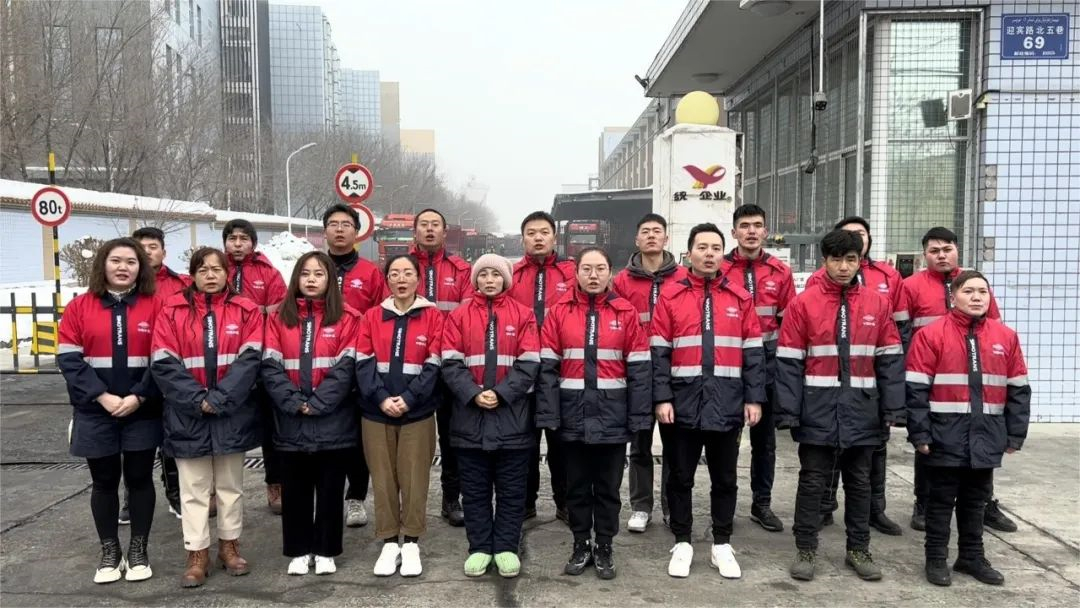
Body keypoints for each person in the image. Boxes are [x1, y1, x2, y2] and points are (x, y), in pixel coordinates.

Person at [775, 229, 905, 583]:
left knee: (860, 483)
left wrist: (893, 410)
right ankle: (805, 549)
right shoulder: (804, 304)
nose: (844, 267)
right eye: (836, 260)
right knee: (812, 482)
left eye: (851, 260)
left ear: (860, 261)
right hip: (816, 410)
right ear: (825, 262)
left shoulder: (877, 304)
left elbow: (890, 360)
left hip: (863, 410)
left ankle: (859, 549)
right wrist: (788, 412)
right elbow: (788, 362)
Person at [650, 224, 766, 580]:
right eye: (702, 247)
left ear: (722, 253)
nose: (710, 253)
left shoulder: (740, 298)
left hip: (727, 403)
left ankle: (722, 544)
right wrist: (662, 397)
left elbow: (753, 354)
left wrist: (754, 398)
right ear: (689, 253)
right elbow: (659, 353)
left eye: (716, 247)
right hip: (681, 404)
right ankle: (682, 541)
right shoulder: (670, 296)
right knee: (679, 477)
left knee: (725, 478)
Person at [905, 270, 1030, 587]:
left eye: (982, 292)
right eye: (969, 291)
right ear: (953, 297)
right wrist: (920, 433)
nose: (976, 297)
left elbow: (1018, 389)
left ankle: (971, 557)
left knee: (976, 501)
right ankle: (936, 558)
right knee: (940, 502)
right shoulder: (931, 335)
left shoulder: (1006, 337)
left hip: (986, 435)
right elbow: (916, 391)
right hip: (943, 435)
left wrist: (1015, 433)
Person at [151, 247, 263, 588]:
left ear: (228, 273)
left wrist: (220, 398)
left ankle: (229, 547)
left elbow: (250, 359)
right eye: (203, 270)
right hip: (188, 414)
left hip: (232, 413)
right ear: (193, 275)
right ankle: (197, 552)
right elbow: (163, 362)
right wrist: (198, 400)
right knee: (193, 489)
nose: (210, 275)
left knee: (230, 487)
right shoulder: (172, 311)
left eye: (216, 269)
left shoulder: (246, 310)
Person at [537, 247, 651, 580]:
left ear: (610, 273)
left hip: (612, 418)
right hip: (571, 417)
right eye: (586, 268)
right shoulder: (559, 312)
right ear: (576, 273)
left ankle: (604, 545)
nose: (593, 275)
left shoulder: (625, 312)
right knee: (575, 487)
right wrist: (550, 416)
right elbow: (547, 370)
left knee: (607, 488)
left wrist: (638, 418)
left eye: (600, 268)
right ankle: (580, 543)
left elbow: (640, 370)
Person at [58, 238, 162, 584]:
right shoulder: (79, 307)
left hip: (141, 410)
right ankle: (110, 551)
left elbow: (164, 358)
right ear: (102, 264)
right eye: (116, 260)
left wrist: (139, 396)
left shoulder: (155, 306)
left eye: (131, 262)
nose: (123, 267)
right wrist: (102, 396)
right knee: (103, 482)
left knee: (140, 479)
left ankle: (138, 549)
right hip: (94, 410)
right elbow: (69, 359)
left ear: (140, 268)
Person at [903, 227, 1014, 534]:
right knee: (927, 444)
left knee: (980, 444)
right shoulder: (911, 286)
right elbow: (901, 333)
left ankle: (984, 504)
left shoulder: (974, 284)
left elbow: (995, 330)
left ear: (957, 250)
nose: (941, 255)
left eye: (947, 249)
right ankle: (924, 503)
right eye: (934, 251)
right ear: (924, 255)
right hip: (933, 378)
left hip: (977, 380)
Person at [807, 216, 910, 536]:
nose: (843, 265)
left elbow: (898, 334)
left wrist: (893, 400)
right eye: (847, 236)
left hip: (868, 388)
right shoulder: (814, 285)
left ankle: (873, 514)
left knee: (869, 460)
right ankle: (823, 509)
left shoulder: (887, 279)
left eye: (860, 235)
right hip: (827, 389)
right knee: (825, 459)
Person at [440, 254, 540, 578]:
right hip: (469, 419)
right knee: (475, 491)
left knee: (512, 491)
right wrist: (472, 393)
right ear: (476, 280)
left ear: (506, 280)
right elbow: (450, 363)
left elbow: (529, 363)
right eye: (483, 274)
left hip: (513, 418)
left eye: (496, 275)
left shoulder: (524, 315)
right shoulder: (458, 316)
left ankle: (507, 547)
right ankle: (480, 547)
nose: (489, 280)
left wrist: (501, 393)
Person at [262, 251, 360, 576]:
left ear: (330, 280)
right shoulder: (279, 317)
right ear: (296, 279)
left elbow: (347, 367)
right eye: (305, 274)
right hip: (290, 419)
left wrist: (318, 403)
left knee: (330, 489)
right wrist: (294, 402)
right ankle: (299, 550)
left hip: (334, 420)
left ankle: (327, 549)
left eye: (319, 274)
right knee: (295, 490)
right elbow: (270, 366)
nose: (312, 280)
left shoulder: (348, 318)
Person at [355, 254, 444, 577]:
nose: (401, 279)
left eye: (408, 273)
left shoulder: (433, 316)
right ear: (387, 280)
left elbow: (434, 363)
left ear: (419, 279)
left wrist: (408, 399)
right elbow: (363, 362)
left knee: (414, 478)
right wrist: (381, 398)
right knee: (383, 479)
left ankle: (412, 542)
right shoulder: (371, 316)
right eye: (394, 273)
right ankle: (389, 541)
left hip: (417, 413)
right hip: (376, 413)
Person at [718, 204, 796, 533]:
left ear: (766, 231)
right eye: (745, 225)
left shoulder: (780, 272)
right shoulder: (719, 269)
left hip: (767, 368)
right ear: (733, 232)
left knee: (765, 442)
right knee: (727, 442)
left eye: (757, 225)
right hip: (728, 367)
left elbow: (789, 324)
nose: (751, 231)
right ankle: (726, 506)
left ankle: (761, 504)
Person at [611, 212, 685, 533]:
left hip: (674, 373)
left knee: (675, 445)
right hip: (636, 375)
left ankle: (672, 506)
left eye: (657, 231)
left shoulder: (684, 278)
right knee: (640, 444)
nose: (652, 235)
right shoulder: (621, 282)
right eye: (646, 231)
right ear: (637, 239)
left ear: (666, 238)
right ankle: (641, 507)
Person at [508, 210, 577, 523]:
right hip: (521, 372)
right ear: (523, 238)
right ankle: (525, 503)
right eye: (531, 233)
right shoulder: (511, 275)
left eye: (544, 232)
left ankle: (565, 502)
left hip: (559, 372)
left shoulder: (571, 273)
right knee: (524, 443)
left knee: (562, 442)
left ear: (554, 237)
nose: (538, 238)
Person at [322, 203, 387, 529]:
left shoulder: (370, 272)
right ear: (325, 231)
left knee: (359, 434)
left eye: (346, 224)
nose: (339, 229)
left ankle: (356, 497)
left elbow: (382, 316)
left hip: (359, 361)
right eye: (333, 224)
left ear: (356, 231)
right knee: (326, 429)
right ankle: (326, 494)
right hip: (319, 362)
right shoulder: (312, 267)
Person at [222, 219, 288, 516]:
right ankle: (216, 489)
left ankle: (276, 483)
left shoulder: (269, 274)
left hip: (261, 361)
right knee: (223, 425)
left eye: (243, 238)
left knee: (271, 428)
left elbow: (279, 317)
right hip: (223, 362)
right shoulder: (215, 269)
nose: (237, 244)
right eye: (232, 238)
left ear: (254, 243)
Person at [410, 208, 471, 527]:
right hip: (412, 365)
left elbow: (467, 318)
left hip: (449, 365)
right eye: (424, 225)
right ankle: (410, 503)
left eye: (436, 225)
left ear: (445, 232)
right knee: (412, 438)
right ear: (415, 231)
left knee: (451, 436)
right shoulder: (402, 267)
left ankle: (451, 498)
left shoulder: (461, 270)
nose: (430, 230)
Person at [132, 226, 190, 522]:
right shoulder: (125, 287)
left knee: (171, 437)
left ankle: (175, 494)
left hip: (172, 370)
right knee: (135, 440)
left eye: (152, 246)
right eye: (140, 247)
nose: (147, 252)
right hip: (136, 370)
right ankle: (131, 496)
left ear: (163, 252)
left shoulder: (182, 284)